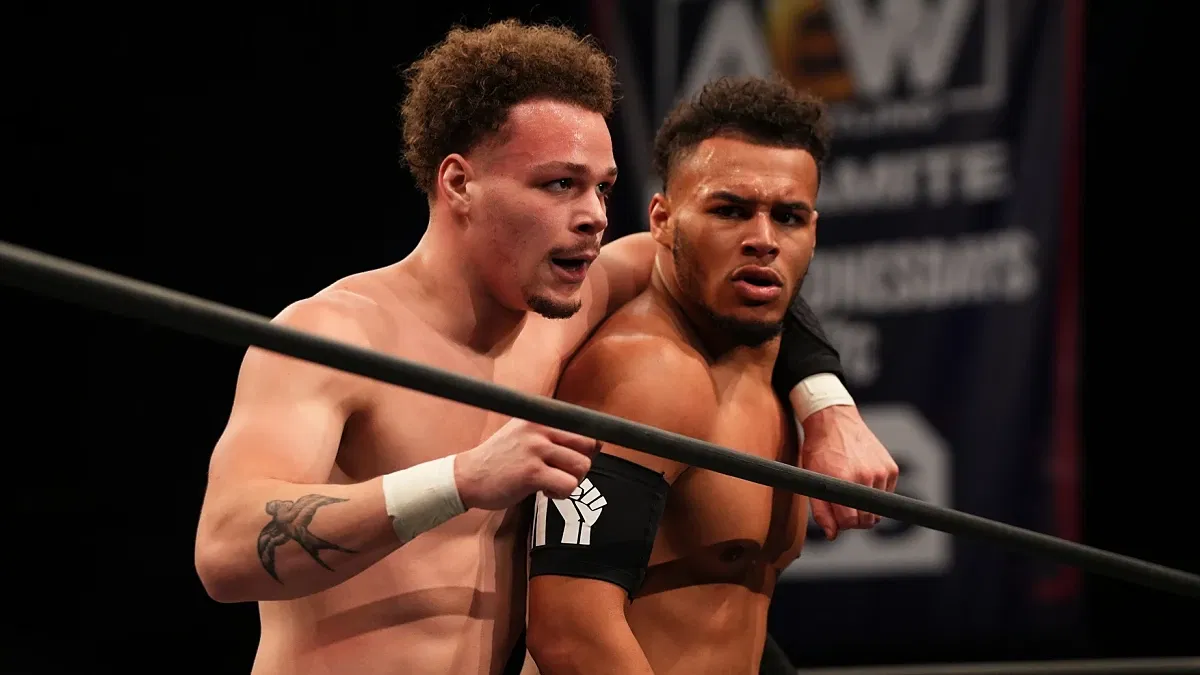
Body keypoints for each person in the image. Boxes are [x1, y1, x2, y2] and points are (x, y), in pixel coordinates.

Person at [192, 20, 894, 675]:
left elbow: (738, 264)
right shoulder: (333, 337)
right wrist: (462, 478)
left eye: (603, 187)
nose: (592, 215)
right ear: (459, 181)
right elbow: (225, 552)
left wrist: (827, 405)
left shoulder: (568, 303)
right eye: (559, 184)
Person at [525, 75, 853, 674]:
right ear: (663, 220)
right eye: (730, 211)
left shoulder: (763, 364)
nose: (763, 240)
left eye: (788, 218)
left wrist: (829, 402)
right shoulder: (643, 375)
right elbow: (570, 631)